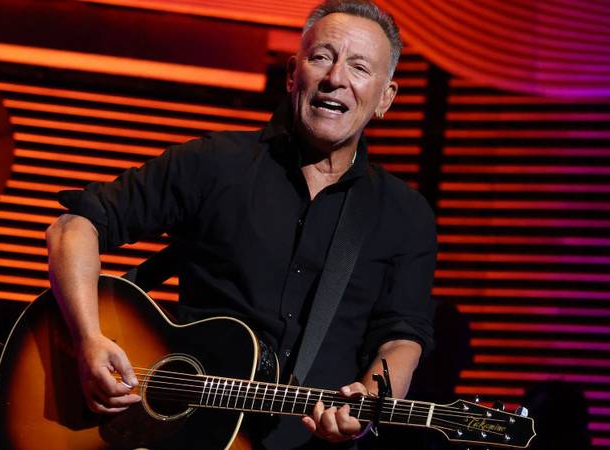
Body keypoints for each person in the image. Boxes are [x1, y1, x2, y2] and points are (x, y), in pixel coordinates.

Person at [46, 0, 436, 448]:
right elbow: (73, 228)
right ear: (293, 74)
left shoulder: (405, 215)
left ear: (385, 98)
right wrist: (88, 338)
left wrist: (370, 399)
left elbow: (402, 336)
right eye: (322, 57)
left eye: (360, 67)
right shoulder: (214, 164)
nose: (336, 78)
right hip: (173, 434)